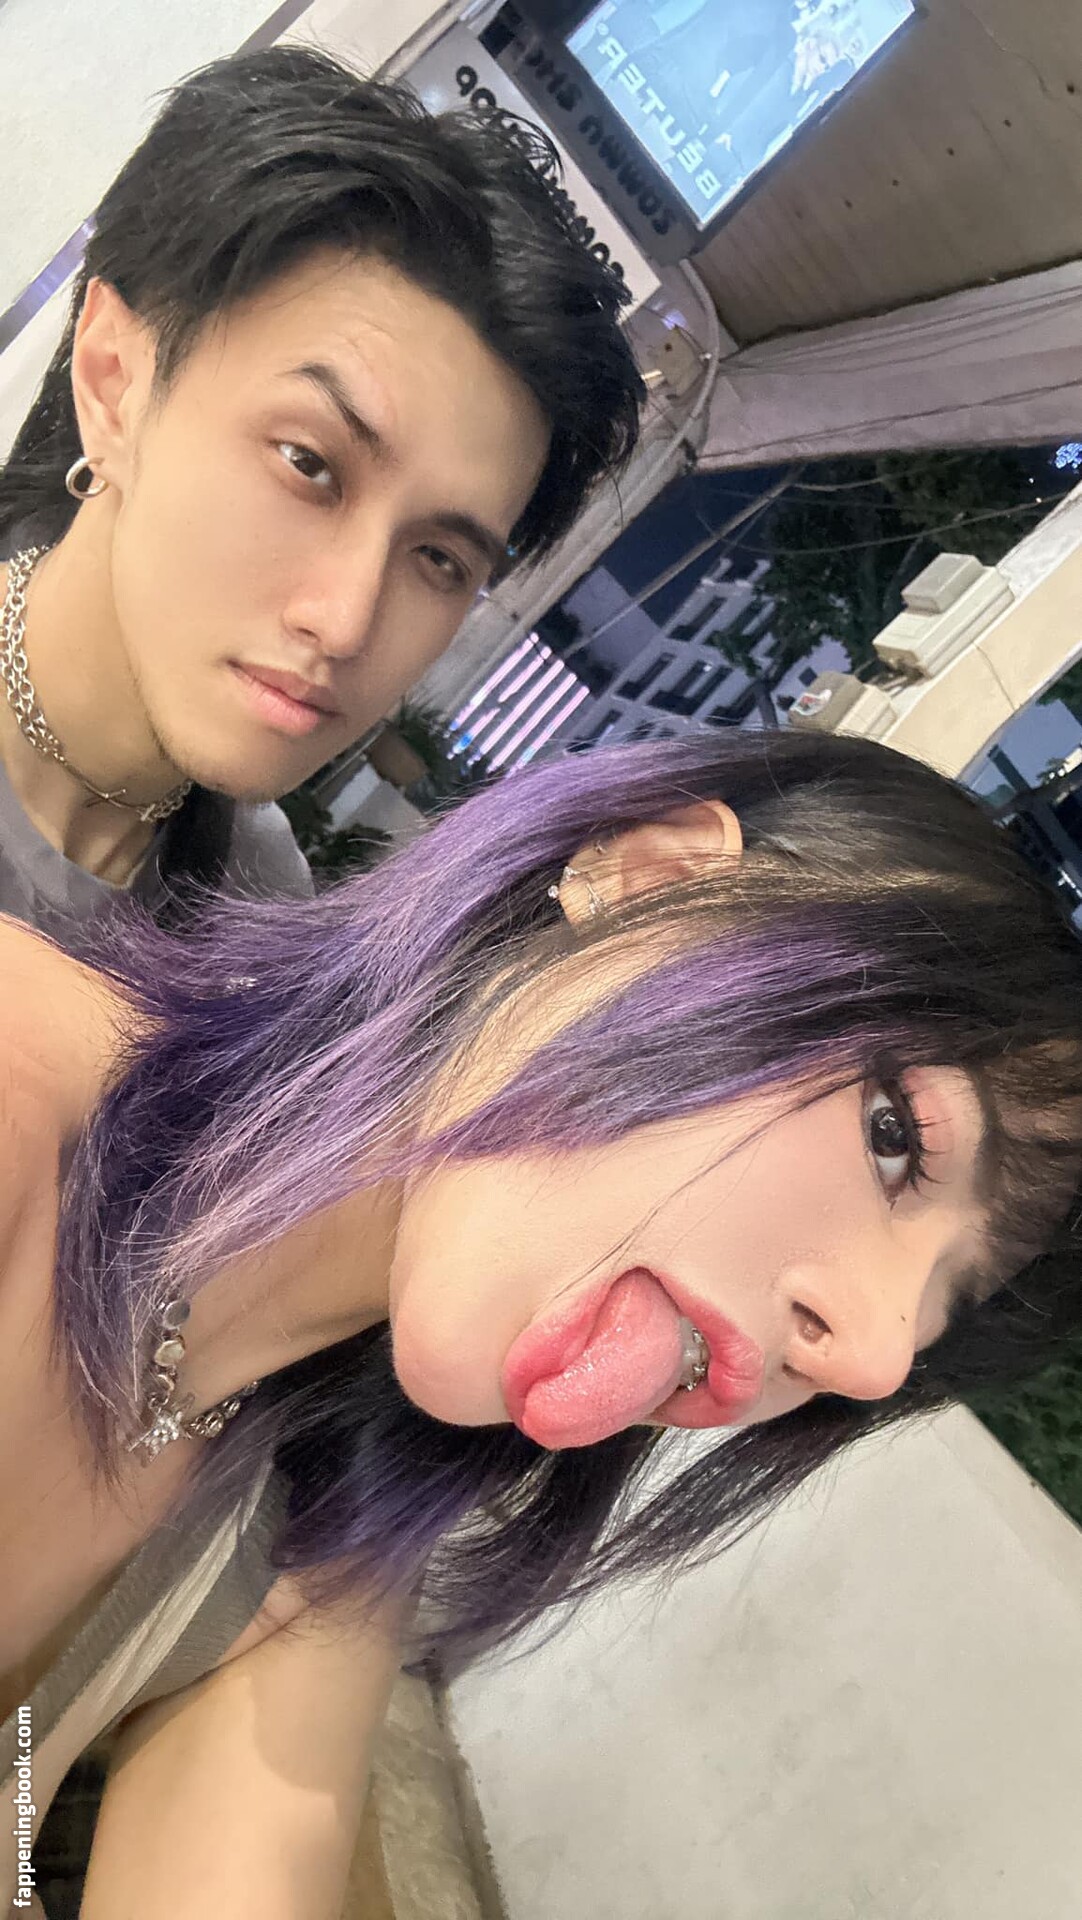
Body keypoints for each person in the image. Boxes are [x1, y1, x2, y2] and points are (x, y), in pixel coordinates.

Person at [2, 726, 1082, 1914]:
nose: (874, 1356)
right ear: (644, 880)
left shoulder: (305, 1539)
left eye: (940, 1305)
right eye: (893, 1135)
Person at [0, 45, 642, 936]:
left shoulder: (251, 925)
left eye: (439, 559)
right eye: (308, 464)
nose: (345, 624)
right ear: (114, 382)